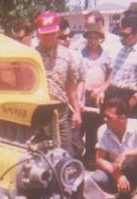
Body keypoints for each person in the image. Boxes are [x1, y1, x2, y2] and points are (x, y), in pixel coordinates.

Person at [35, 12, 82, 156]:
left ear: (57, 32)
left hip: (60, 112)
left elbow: (70, 84)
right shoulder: (31, 55)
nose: (48, 37)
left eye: (51, 33)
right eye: (45, 34)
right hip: (37, 113)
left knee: (66, 155)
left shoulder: (67, 55)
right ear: (38, 34)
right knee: (38, 157)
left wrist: (76, 111)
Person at [80, 22, 112, 169]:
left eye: (96, 38)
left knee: (96, 126)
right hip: (84, 94)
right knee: (83, 125)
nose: (93, 41)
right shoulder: (81, 53)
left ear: (100, 39)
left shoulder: (106, 55)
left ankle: (92, 156)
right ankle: (80, 154)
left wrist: (102, 89)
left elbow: (111, 74)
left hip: (99, 95)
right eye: (90, 38)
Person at [57, 18, 86, 159]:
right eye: (63, 37)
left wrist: (78, 102)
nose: (67, 39)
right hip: (54, 110)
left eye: (70, 35)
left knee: (74, 147)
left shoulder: (76, 56)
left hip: (72, 108)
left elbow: (80, 79)